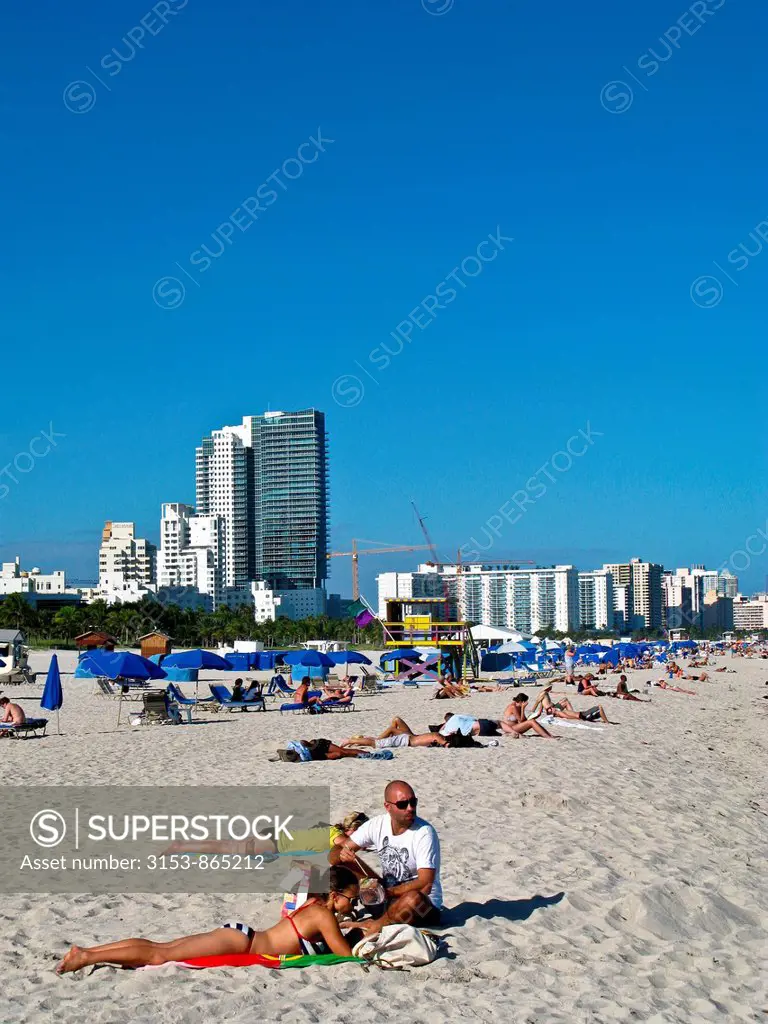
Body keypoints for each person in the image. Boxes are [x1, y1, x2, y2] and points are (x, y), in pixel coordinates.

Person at [55, 866, 361, 974]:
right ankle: (85, 956)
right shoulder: (323, 914)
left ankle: (90, 953)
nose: (354, 904)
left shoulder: (312, 904)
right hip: (243, 943)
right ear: (335, 895)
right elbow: (345, 957)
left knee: (160, 948)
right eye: (352, 898)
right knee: (159, 953)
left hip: (242, 938)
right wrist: (361, 935)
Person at [335, 781, 442, 934]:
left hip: (421, 908)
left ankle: (377, 926)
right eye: (403, 804)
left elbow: (425, 884)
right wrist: (343, 852)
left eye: (413, 802)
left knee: (413, 899)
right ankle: (335, 904)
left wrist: (388, 892)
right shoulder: (378, 824)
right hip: (386, 899)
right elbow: (339, 849)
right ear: (388, 806)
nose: (410, 808)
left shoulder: (424, 833)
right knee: (340, 859)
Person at [340, 718, 450, 749]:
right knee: (375, 743)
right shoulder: (436, 735)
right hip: (406, 740)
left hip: (410, 738)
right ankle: (350, 740)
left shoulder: (435, 734)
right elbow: (444, 743)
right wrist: (446, 743)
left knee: (394, 722)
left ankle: (373, 739)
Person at [530, 686, 611, 723]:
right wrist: (577, 718)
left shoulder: (558, 711)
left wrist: (539, 712)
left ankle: (606, 721)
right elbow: (538, 702)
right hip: (581, 715)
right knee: (599, 707)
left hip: (581, 714)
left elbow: (541, 704)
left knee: (597, 712)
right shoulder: (557, 712)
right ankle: (607, 722)